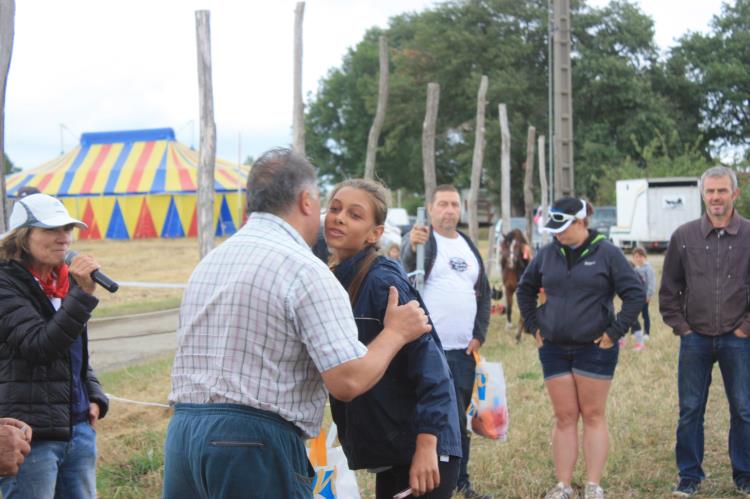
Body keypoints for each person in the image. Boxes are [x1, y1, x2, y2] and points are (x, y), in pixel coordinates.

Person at [163, 148, 432, 499]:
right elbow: (347, 380)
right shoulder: (305, 270)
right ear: (307, 201)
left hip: (183, 437)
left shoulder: (210, 263)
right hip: (252, 443)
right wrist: (396, 333)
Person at [324, 179, 462, 498]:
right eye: (334, 209)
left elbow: (434, 370)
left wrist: (427, 445)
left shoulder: (383, 284)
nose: (340, 217)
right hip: (395, 451)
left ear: (375, 233)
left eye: (355, 215)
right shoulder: (339, 279)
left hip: (422, 449)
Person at [516, 197, 644, 499]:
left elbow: (635, 294)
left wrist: (614, 332)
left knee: (593, 415)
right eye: (554, 228)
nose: (557, 234)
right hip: (554, 348)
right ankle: (563, 485)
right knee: (564, 417)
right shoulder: (547, 254)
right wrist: (534, 325)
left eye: (563, 227)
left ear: (581, 222)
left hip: (595, 348)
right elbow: (525, 288)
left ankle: (592, 485)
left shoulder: (608, 253)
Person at [0, 193, 109, 499]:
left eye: (67, 229)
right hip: (31, 438)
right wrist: (82, 297)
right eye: (51, 229)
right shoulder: (6, 285)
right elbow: (39, 346)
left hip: (77, 429)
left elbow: (74, 353)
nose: (64, 238)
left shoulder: (64, 283)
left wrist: (94, 394)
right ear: (22, 237)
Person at [659, 166, 750, 498]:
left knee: (743, 408)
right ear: (702, 194)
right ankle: (689, 475)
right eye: (710, 191)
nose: (715, 197)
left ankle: (744, 474)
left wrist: (745, 328)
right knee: (691, 409)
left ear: (734, 194)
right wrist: (682, 328)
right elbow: (669, 289)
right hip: (694, 338)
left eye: (722, 191)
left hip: (737, 338)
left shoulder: (749, 235)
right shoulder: (684, 237)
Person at [401, 185, 492, 499]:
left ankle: (459, 481)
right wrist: (411, 246)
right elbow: (406, 269)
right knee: (426, 418)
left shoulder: (467, 245)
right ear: (430, 208)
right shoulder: (424, 241)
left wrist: (479, 334)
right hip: (429, 351)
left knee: (458, 420)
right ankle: (421, 479)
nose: (449, 210)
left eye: (454, 204)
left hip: (462, 351)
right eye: (443, 204)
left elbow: (484, 292)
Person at [627, 246, 655, 351]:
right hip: (635, 297)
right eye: (635, 257)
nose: (638, 259)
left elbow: (651, 284)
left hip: (644, 297)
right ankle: (634, 331)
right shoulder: (635, 268)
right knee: (634, 315)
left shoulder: (648, 269)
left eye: (640, 256)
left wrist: (649, 295)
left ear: (644, 257)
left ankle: (646, 333)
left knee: (645, 315)